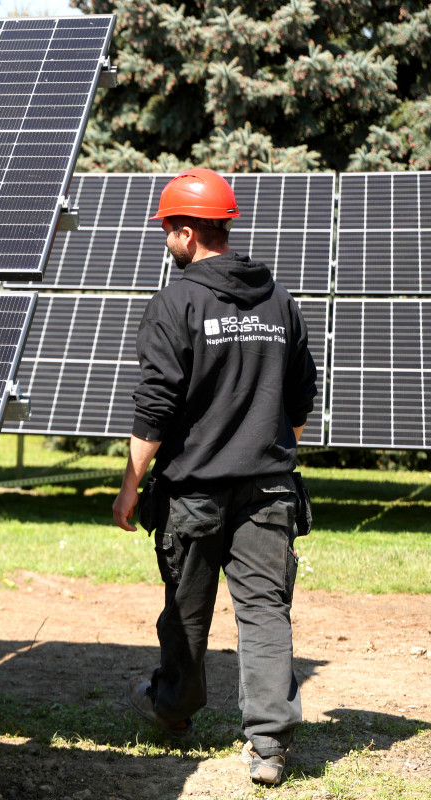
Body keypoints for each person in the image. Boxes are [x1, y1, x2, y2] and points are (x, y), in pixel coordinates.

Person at [111, 168, 317, 786]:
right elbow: (302, 398)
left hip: (193, 493)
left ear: (185, 230)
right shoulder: (278, 300)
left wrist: (129, 485)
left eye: (167, 231)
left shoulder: (176, 302)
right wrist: (269, 448)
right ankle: (269, 746)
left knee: (187, 611)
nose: (165, 242)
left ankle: (173, 710)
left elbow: (155, 406)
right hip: (270, 488)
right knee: (265, 612)